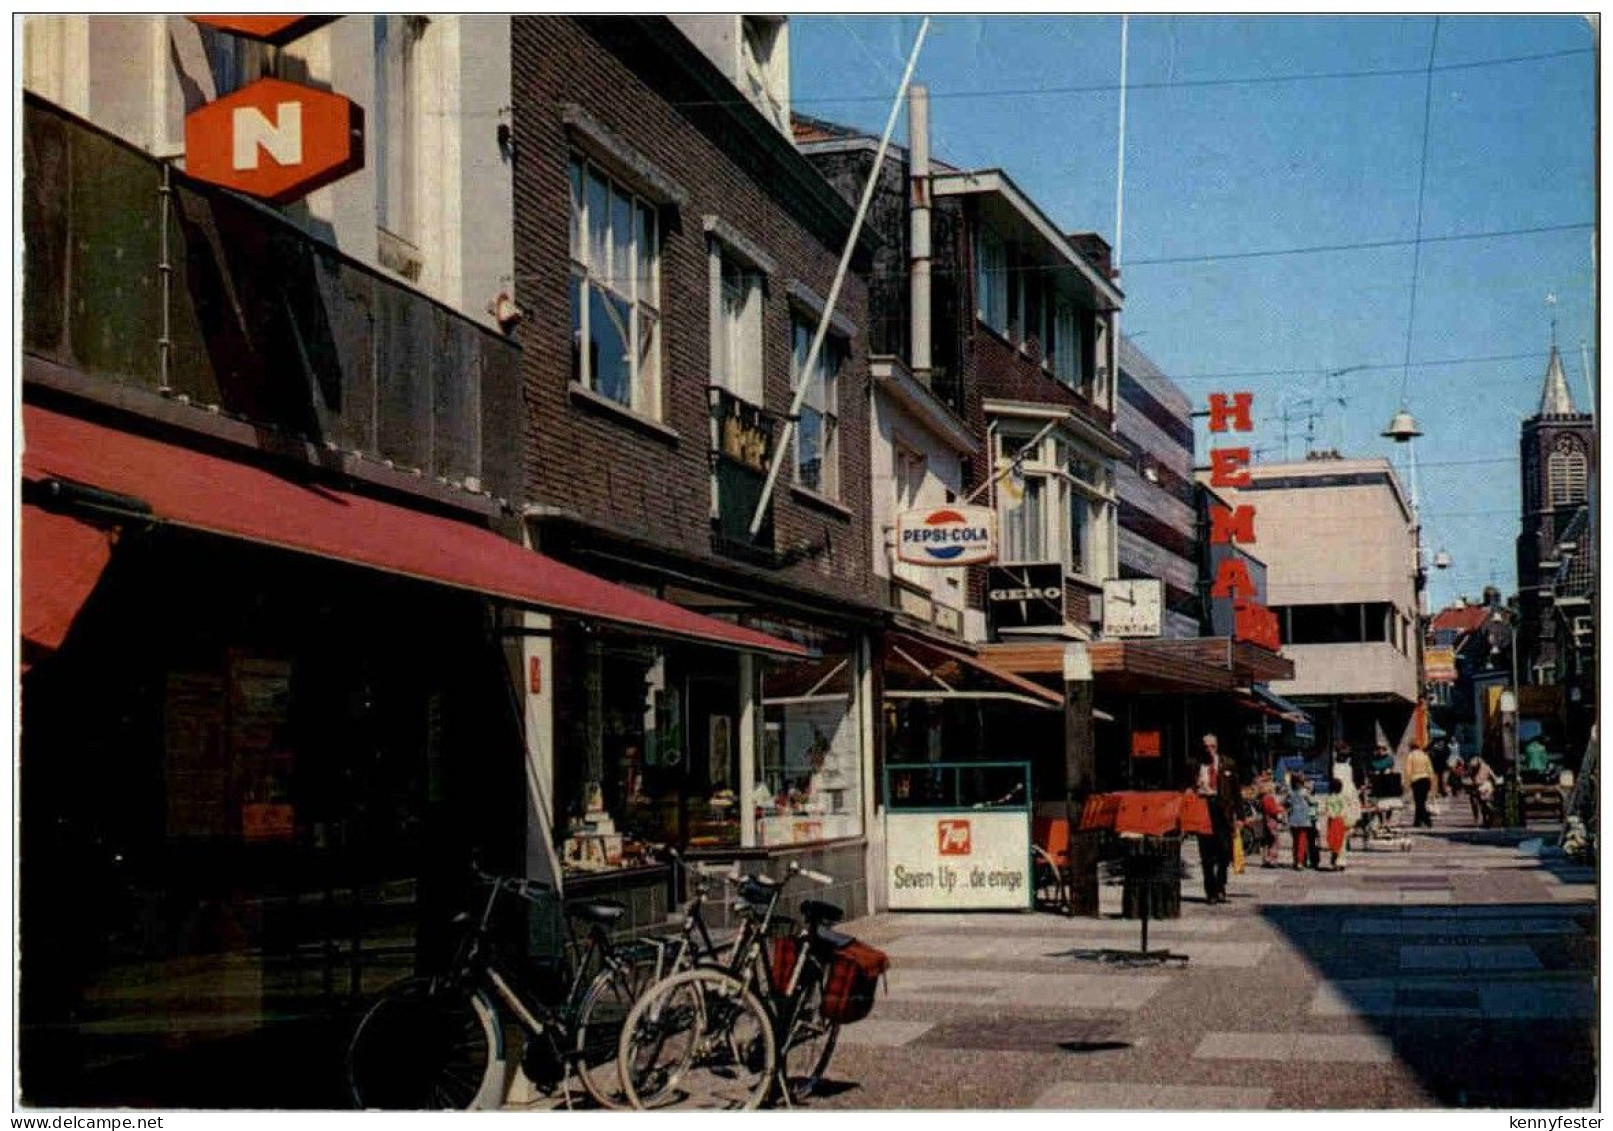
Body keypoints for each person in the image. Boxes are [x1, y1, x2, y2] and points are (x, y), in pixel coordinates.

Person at [1194, 734, 1233, 903]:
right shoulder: (1196, 766)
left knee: (1224, 852)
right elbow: (1186, 786)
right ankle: (1211, 891)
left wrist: (1240, 816)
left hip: (1222, 811)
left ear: (1217, 747)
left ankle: (1221, 884)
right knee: (1206, 855)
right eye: (1206, 747)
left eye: (1212, 746)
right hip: (1204, 809)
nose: (1209, 750)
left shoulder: (1228, 763)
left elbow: (1235, 791)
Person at [1320, 777, 1350, 869]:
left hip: (1332, 821)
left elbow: (1327, 809)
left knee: (1333, 840)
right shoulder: (1342, 797)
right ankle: (1341, 861)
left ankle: (1334, 859)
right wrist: (1341, 815)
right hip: (1340, 820)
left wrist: (1331, 814)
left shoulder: (1329, 798)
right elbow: (1345, 808)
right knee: (1341, 842)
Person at [1285, 773, 1314, 870]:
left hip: (1293, 820)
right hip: (1304, 820)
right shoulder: (1304, 792)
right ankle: (1300, 862)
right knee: (1302, 842)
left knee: (1295, 842)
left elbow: (1285, 803)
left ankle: (1295, 860)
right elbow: (1312, 802)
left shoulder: (1291, 792)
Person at [1405, 743, 1436, 828]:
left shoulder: (1411, 756)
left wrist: (1407, 783)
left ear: (1411, 748)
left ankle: (1427, 820)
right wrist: (1432, 781)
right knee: (1421, 801)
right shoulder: (1424, 755)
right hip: (1425, 780)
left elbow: (1408, 770)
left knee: (1419, 802)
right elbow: (1430, 769)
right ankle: (1417, 822)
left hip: (1416, 780)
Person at [1256, 776, 1284, 867]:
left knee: (1267, 842)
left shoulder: (1263, 798)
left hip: (1266, 821)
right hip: (1272, 822)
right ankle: (1271, 860)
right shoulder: (1269, 798)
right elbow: (1272, 810)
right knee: (1274, 841)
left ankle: (1266, 859)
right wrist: (1280, 809)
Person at [1468, 755, 1497, 827]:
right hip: (1477, 787)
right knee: (1474, 800)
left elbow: (1494, 777)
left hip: (1485, 787)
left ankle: (1485, 818)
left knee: (1484, 803)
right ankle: (1478, 818)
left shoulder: (1485, 767)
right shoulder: (1472, 768)